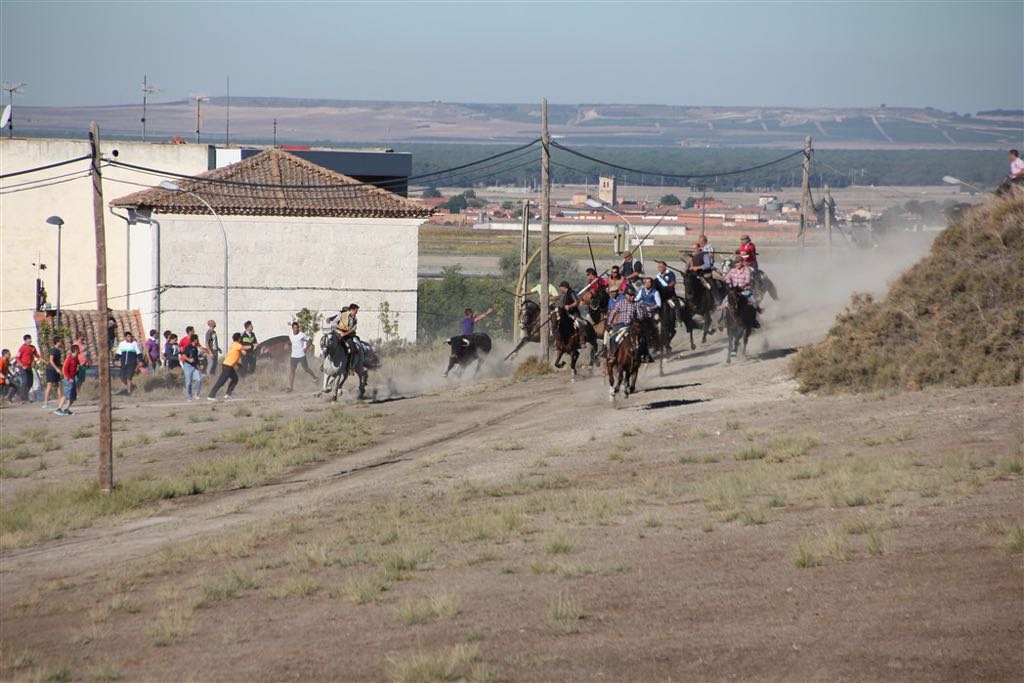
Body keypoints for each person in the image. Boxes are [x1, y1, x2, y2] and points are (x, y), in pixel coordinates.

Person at [207, 332, 245, 401]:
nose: (241, 338)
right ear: (239, 339)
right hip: (227, 366)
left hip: (229, 366)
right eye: (240, 337)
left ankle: (228, 394)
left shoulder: (234, 344)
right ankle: (211, 395)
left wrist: (238, 364)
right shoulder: (237, 345)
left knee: (235, 379)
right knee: (221, 382)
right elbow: (244, 352)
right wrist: (252, 346)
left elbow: (234, 356)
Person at [287, 321, 318, 392]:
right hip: (293, 356)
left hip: (301, 355)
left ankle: (315, 377)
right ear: (292, 328)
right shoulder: (290, 335)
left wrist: (306, 348)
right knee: (292, 371)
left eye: (297, 327)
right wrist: (288, 344)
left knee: (306, 369)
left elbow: (310, 340)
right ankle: (290, 387)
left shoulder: (302, 335)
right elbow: (293, 343)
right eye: (294, 328)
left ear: (298, 328)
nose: (296, 329)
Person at [333, 303, 360, 372]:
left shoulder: (355, 319)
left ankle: (349, 367)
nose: (356, 313)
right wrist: (341, 328)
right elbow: (334, 323)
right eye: (356, 311)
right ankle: (324, 364)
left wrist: (345, 333)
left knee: (353, 349)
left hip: (347, 335)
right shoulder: (342, 315)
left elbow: (353, 329)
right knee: (329, 345)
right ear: (352, 310)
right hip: (337, 333)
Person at [54, 344, 79, 416]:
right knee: (66, 394)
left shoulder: (76, 359)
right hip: (68, 379)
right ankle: (58, 409)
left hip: (73, 378)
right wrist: (69, 378)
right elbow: (64, 369)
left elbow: (77, 367)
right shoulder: (69, 358)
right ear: (75, 351)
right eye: (78, 350)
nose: (79, 351)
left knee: (73, 396)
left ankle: (66, 409)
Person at [15, 335, 41, 404]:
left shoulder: (32, 348)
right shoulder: (22, 348)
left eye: (30, 339)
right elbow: (17, 357)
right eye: (28, 339)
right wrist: (21, 365)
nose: (30, 340)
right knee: (24, 382)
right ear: (25, 340)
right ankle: (23, 398)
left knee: (30, 382)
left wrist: (42, 360)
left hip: (29, 367)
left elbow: (37, 356)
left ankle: (26, 396)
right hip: (23, 367)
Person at [116, 331, 142, 395]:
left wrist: (140, 361)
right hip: (123, 363)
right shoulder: (121, 344)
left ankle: (129, 392)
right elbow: (118, 353)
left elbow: (139, 353)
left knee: (129, 378)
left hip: (132, 364)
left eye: (130, 336)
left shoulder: (134, 344)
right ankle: (132, 386)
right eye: (128, 337)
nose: (129, 338)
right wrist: (116, 360)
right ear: (125, 337)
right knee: (122, 378)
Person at [43, 337, 64, 410]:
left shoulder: (58, 350)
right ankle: (45, 403)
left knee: (58, 384)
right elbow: (51, 361)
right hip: (51, 369)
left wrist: (61, 366)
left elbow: (57, 361)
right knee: (49, 385)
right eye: (60, 341)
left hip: (55, 369)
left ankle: (60, 401)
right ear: (57, 342)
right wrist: (56, 369)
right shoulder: (53, 350)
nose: (61, 343)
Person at [181, 333, 202, 401]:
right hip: (187, 366)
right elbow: (183, 355)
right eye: (197, 339)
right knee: (188, 382)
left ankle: (196, 394)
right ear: (194, 340)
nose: (198, 340)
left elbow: (196, 358)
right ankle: (189, 396)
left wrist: (199, 364)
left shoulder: (195, 348)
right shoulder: (188, 347)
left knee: (199, 379)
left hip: (194, 366)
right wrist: (189, 359)